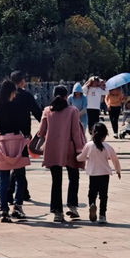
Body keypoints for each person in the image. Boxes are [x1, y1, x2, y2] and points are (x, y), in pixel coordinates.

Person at [37, 84, 86, 222]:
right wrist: (79, 150)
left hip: (52, 149)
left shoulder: (47, 110)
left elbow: (41, 131)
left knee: (56, 181)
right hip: (69, 149)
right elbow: (76, 132)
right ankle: (72, 206)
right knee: (73, 177)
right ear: (66, 96)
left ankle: (57, 212)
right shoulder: (73, 110)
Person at [0, 79, 30, 223]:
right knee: (20, 177)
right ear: (12, 92)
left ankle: (4, 210)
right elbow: (23, 125)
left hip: (2, 145)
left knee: (3, 180)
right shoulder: (17, 107)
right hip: (17, 143)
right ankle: (17, 207)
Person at [77, 122, 121, 224]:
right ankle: (102, 215)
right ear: (105, 135)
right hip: (105, 174)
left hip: (93, 174)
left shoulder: (89, 145)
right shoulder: (108, 146)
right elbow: (115, 159)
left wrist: (75, 158)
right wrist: (118, 170)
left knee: (92, 193)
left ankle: (92, 204)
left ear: (93, 133)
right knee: (103, 195)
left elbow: (82, 157)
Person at [9, 70, 42, 202]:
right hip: (23, 135)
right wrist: (45, 127)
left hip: (7, 135)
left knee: (15, 163)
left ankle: (24, 192)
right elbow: (37, 113)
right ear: (22, 81)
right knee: (19, 164)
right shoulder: (26, 96)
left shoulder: (7, 96)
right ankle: (10, 192)